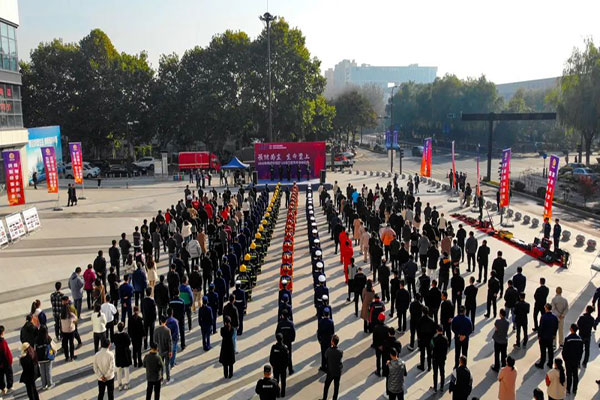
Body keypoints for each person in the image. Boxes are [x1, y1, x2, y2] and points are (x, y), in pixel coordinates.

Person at [536, 304, 559, 369]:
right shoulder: (554, 317)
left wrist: (539, 335)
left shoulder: (543, 317)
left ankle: (542, 363)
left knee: (543, 351)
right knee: (550, 350)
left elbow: (541, 327)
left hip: (543, 336)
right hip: (550, 336)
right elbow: (556, 327)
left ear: (546, 308)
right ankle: (550, 363)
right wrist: (554, 334)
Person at [562, 324, 583, 395]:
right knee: (575, 375)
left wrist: (565, 359)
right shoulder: (580, 339)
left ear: (571, 329)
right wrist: (579, 359)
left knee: (569, 375)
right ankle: (574, 389)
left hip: (569, 360)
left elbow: (564, 351)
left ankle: (568, 389)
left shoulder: (568, 339)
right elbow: (581, 351)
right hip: (576, 360)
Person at [153, 316, 173, 385]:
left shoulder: (156, 330)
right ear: (166, 321)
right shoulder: (168, 330)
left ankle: (161, 379)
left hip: (160, 350)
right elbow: (170, 342)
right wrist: (170, 351)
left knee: (161, 366)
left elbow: (154, 340)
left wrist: (157, 347)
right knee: (167, 365)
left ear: (160, 321)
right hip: (167, 350)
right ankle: (168, 379)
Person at [322, 334, 343, 400]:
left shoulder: (329, 350)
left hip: (330, 371)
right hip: (338, 371)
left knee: (326, 386)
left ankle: (324, 398)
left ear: (332, 342)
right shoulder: (340, 352)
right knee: (336, 387)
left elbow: (325, 356)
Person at [33, 325, 54, 390]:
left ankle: (43, 385)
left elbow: (34, 349)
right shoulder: (48, 338)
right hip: (47, 357)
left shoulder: (36, 339)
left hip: (40, 358)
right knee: (48, 371)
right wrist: (53, 353)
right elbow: (53, 346)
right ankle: (50, 384)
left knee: (42, 371)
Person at [113, 322, 132, 391]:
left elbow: (115, 343)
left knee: (119, 370)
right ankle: (127, 383)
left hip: (118, 353)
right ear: (123, 328)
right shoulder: (125, 335)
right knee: (126, 369)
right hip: (125, 353)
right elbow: (129, 343)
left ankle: (119, 384)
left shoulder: (115, 335)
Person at [416, 306, 436, 371]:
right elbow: (434, 331)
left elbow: (418, 330)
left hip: (422, 339)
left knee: (422, 353)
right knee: (429, 353)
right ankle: (429, 366)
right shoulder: (431, 320)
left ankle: (422, 366)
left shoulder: (420, 320)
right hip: (429, 339)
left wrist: (419, 338)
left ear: (422, 312)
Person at [432, 325, 449, 393]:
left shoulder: (434, 338)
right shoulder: (445, 339)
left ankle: (435, 387)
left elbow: (431, 346)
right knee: (442, 372)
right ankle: (442, 387)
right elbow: (447, 348)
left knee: (435, 373)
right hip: (442, 358)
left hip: (435, 358)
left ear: (437, 330)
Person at [60, 297, 78, 361]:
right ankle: (72, 356)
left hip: (64, 331)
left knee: (65, 344)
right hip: (71, 331)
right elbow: (76, 318)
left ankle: (66, 357)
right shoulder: (71, 315)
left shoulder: (61, 316)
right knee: (71, 344)